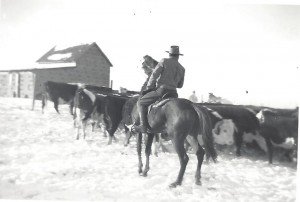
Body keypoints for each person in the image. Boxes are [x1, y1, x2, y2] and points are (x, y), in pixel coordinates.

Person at [133, 45, 185, 133]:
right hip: (174, 94)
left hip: (161, 91)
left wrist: (149, 88)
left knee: (141, 102)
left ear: (170, 54)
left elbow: (154, 75)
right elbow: (180, 85)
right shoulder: (182, 68)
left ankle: (143, 126)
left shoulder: (164, 61)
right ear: (178, 56)